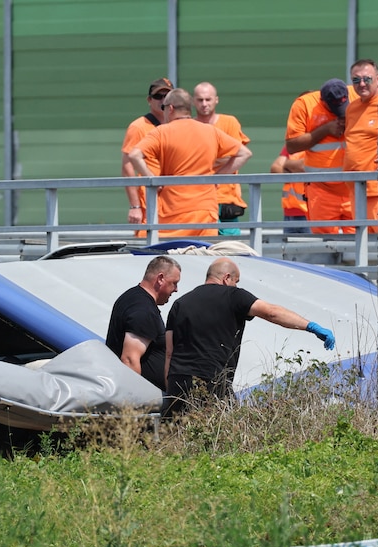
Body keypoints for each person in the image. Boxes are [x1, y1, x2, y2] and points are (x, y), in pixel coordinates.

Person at [164, 257, 335, 415]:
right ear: (227, 277)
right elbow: (272, 313)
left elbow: (169, 353)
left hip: (178, 381)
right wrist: (310, 326)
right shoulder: (233, 296)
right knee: (224, 435)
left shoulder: (180, 303)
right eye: (236, 282)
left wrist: (170, 388)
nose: (236, 286)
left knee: (178, 438)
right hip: (212, 380)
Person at [128, 88, 252, 237]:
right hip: (205, 211)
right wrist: (217, 176)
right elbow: (244, 153)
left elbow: (134, 155)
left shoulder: (161, 132)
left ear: (171, 108)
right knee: (204, 257)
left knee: (166, 254)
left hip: (172, 213)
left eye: (164, 108)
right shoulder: (210, 131)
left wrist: (152, 180)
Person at [285, 78, 356, 234]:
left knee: (359, 244)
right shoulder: (304, 104)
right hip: (322, 190)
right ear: (322, 101)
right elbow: (291, 146)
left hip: (355, 188)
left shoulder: (358, 93)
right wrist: (326, 130)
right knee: (324, 248)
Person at [105, 256, 181, 391]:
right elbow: (129, 359)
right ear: (160, 278)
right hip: (142, 403)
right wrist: (133, 404)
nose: (176, 289)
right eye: (174, 283)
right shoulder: (143, 309)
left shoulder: (134, 298)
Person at [192, 82, 251, 236]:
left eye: (208, 99)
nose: (204, 104)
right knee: (200, 247)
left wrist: (212, 170)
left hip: (226, 198)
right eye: (200, 100)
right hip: (197, 199)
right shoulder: (189, 126)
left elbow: (239, 155)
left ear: (216, 100)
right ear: (193, 101)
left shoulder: (229, 122)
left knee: (231, 247)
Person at [121, 78, 173, 235]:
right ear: (149, 100)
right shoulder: (139, 127)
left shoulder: (177, 124)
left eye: (167, 95)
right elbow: (127, 166)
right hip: (150, 201)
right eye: (158, 96)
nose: (162, 100)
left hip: (174, 202)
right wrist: (135, 206)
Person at [344, 59, 378, 235]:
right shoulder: (352, 108)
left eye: (367, 79)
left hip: (377, 188)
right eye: (356, 80)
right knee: (361, 244)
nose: (361, 84)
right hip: (354, 188)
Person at [270, 145, 310, 234]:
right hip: (289, 215)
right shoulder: (291, 146)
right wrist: (294, 168)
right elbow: (275, 169)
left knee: (313, 247)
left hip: (310, 215)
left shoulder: (317, 144)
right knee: (286, 248)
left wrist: (285, 165)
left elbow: (304, 166)